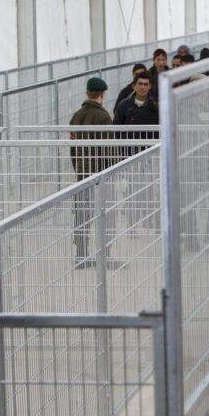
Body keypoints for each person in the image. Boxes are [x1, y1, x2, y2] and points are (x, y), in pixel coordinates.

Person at [69, 77, 114, 268]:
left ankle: (81, 253)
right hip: (100, 174)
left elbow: (72, 148)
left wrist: (78, 167)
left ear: (88, 93)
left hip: (82, 173)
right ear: (102, 94)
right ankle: (105, 254)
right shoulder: (104, 118)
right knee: (105, 214)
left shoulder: (76, 116)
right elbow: (109, 150)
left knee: (81, 214)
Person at [113, 71, 159, 155]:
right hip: (128, 152)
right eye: (140, 84)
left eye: (145, 84)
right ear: (134, 86)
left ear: (150, 86)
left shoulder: (156, 107)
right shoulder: (124, 105)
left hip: (150, 152)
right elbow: (116, 126)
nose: (142, 87)